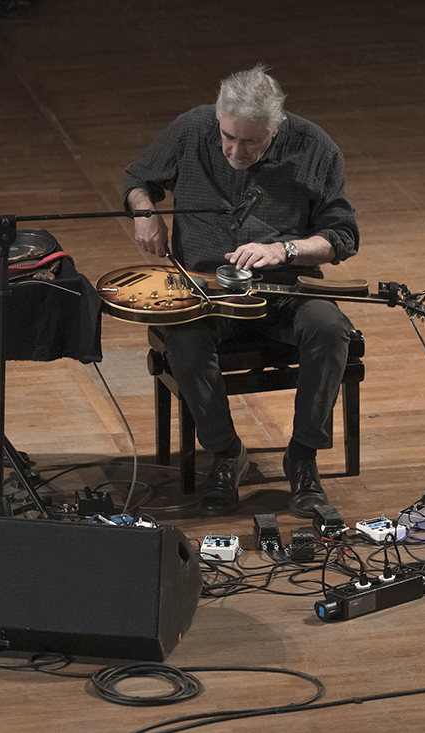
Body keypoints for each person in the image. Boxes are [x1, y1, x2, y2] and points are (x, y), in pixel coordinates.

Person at [123, 64, 359, 518]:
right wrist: (143, 212)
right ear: (218, 118)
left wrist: (285, 249)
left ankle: (303, 456)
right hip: (206, 291)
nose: (235, 150)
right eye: (228, 137)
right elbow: (138, 179)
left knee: (330, 328)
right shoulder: (194, 127)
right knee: (184, 340)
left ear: (276, 127)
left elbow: (341, 237)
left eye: (250, 141)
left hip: (283, 289)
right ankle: (227, 452)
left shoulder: (316, 148)